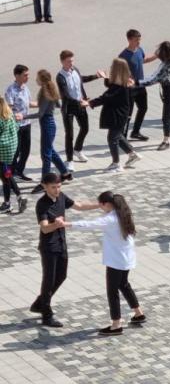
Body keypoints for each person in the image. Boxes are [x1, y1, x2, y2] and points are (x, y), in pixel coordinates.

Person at [65, 191, 144, 335]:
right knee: (124, 285)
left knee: (112, 291)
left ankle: (116, 324)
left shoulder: (111, 219)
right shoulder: (123, 213)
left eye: (101, 205)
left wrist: (67, 224)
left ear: (107, 204)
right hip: (126, 258)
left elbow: (89, 224)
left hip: (116, 261)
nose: (101, 208)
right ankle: (138, 313)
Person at [30, 173, 99, 328]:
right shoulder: (42, 204)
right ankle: (46, 315)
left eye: (59, 186)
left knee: (61, 276)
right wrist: (57, 224)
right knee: (48, 280)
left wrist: (99, 205)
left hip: (61, 244)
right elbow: (45, 228)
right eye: (53, 187)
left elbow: (79, 206)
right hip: (49, 247)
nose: (57, 190)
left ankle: (39, 304)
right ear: (44, 186)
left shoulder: (61, 197)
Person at [87, 59, 140, 173]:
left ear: (117, 70)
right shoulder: (123, 82)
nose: (111, 68)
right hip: (121, 114)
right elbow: (110, 86)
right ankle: (132, 154)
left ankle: (116, 164)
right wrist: (105, 77)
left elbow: (106, 97)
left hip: (118, 115)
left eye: (112, 67)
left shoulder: (121, 86)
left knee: (112, 139)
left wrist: (89, 103)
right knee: (118, 136)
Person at [140, 42, 170, 150]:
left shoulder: (165, 66)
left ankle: (166, 140)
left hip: (169, 91)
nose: (157, 53)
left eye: (160, 51)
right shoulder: (169, 62)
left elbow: (152, 79)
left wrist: (136, 83)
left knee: (166, 116)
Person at [27, 69, 71, 190]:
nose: (36, 80)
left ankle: (44, 182)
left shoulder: (45, 92)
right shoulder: (50, 89)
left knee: (45, 154)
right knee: (50, 150)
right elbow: (58, 105)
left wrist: (23, 117)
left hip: (47, 124)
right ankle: (65, 173)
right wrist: (43, 105)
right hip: (50, 123)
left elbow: (40, 114)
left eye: (37, 78)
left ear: (42, 80)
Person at [56, 50, 101, 163]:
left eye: (72, 60)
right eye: (68, 61)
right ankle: (69, 159)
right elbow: (65, 95)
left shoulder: (75, 69)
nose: (71, 63)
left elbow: (82, 79)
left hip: (81, 105)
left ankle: (78, 149)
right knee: (69, 134)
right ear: (62, 61)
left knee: (85, 128)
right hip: (69, 108)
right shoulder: (60, 77)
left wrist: (96, 76)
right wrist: (79, 101)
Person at [119, 29, 158, 141]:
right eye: (137, 40)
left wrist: (156, 56)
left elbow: (143, 60)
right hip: (129, 89)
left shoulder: (139, 50)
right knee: (128, 113)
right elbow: (119, 71)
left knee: (143, 108)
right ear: (129, 40)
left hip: (140, 86)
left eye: (139, 40)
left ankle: (135, 132)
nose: (139, 42)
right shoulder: (123, 55)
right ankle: (123, 136)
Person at [6, 65, 35, 182]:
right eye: (25, 75)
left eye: (28, 74)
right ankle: (11, 175)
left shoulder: (25, 88)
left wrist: (44, 103)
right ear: (17, 76)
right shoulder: (11, 90)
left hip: (26, 123)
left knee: (26, 150)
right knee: (16, 151)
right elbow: (8, 110)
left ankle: (19, 172)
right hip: (16, 126)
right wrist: (15, 116)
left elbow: (29, 103)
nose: (28, 77)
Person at [0, 97, 28, 214]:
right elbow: (17, 128)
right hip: (11, 150)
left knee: (6, 176)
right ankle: (7, 203)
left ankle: (19, 197)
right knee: (5, 175)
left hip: (1, 150)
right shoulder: (10, 115)